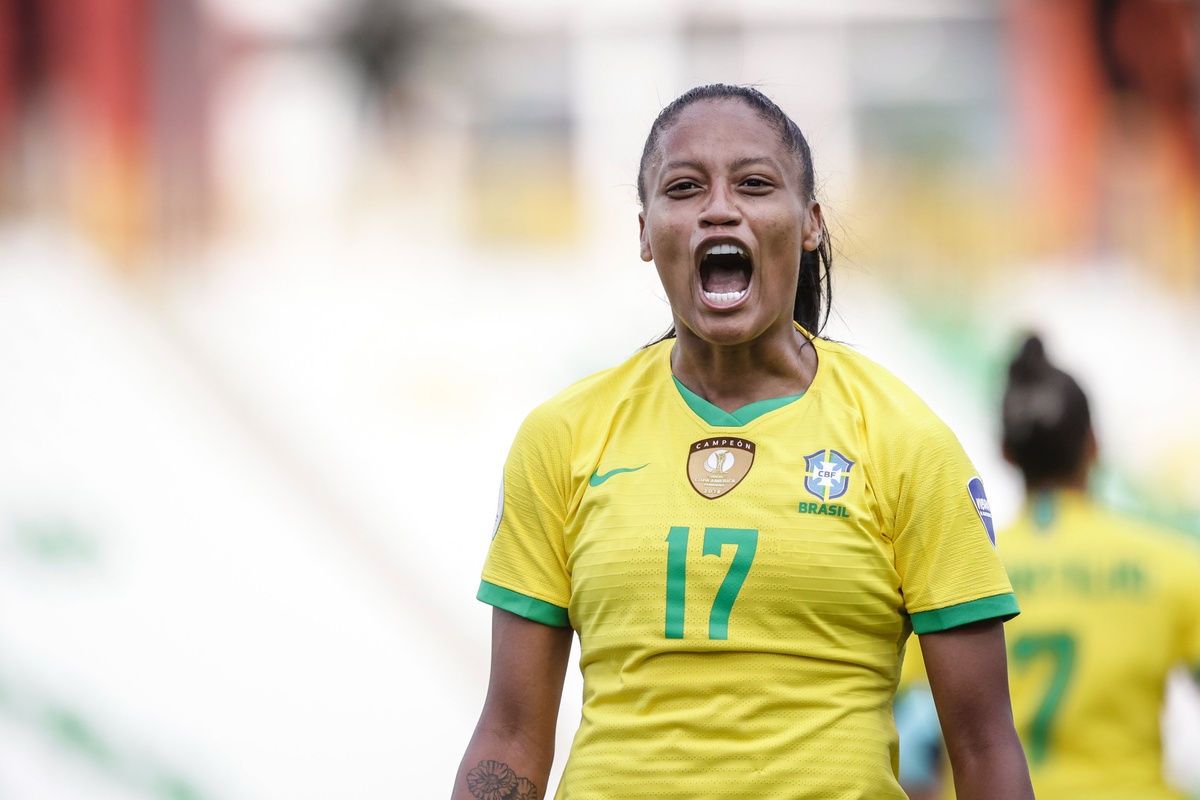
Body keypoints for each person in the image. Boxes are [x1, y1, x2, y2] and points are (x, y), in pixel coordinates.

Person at [451, 83, 1033, 800]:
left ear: (811, 222)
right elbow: (510, 735)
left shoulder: (906, 441)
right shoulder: (562, 436)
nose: (719, 208)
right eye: (685, 187)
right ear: (644, 230)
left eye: (754, 184)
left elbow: (981, 747)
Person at [898, 334, 1200, 799]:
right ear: (1094, 445)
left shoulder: (956, 567)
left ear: (1006, 453)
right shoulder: (1173, 565)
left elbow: (912, 739)